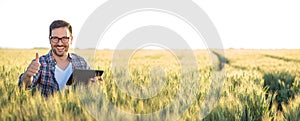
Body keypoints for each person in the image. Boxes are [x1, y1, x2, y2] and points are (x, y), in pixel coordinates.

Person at [18, 20, 102, 97]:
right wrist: (28, 76)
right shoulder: (41, 63)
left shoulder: (81, 63)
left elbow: (88, 93)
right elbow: (23, 87)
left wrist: (95, 86)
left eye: (65, 38)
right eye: (55, 38)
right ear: (49, 40)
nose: (60, 43)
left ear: (71, 39)